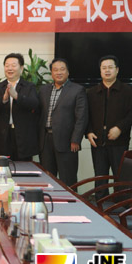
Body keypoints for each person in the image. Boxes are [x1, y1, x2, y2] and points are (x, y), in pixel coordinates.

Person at [86, 55, 132, 199]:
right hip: (97, 142)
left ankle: (120, 208)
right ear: (100, 71)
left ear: (117, 70)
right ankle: (100, 206)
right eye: (104, 68)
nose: (107, 70)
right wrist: (89, 132)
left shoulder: (127, 91)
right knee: (100, 177)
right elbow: (86, 115)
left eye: (110, 67)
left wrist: (120, 128)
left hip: (119, 142)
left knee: (120, 178)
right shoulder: (92, 92)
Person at [38, 58, 87, 187]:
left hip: (67, 142)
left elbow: (81, 117)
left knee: (68, 179)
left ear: (68, 72)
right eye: (55, 70)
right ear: (51, 73)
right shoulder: (43, 90)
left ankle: (70, 200)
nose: (59, 72)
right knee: (48, 178)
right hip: (45, 140)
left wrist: (76, 139)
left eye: (62, 69)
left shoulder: (77, 90)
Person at [0, 53, 39, 161]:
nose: (10, 68)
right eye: (7, 65)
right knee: (3, 166)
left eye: (13, 65)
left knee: (24, 166)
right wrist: (4, 99)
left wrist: (16, 96)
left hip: (23, 135)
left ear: (21, 68)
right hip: (3, 134)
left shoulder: (29, 86)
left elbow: (34, 104)